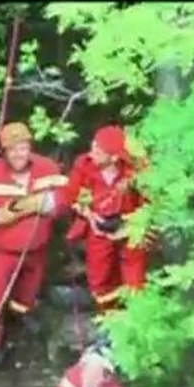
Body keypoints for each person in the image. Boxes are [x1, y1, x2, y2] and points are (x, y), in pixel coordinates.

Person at [0, 121, 69, 366]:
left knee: (29, 288)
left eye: (24, 148)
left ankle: (21, 314)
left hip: (35, 248)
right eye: (13, 149)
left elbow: (66, 196)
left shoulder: (47, 169)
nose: (20, 154)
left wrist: (45, 203)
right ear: (3, 152)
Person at [63, 125, 156, 313]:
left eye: (99, 149)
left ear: (114, 157)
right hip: (99, 226)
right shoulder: (84, 166)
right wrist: (90, 216)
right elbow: (71, 196)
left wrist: (133, 224)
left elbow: (149, 201)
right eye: (94, 144)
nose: (93, 151)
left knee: (135, 273)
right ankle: (108, 315)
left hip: (130, 226)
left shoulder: (133, 172)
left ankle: (136, 316)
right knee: (99, 274)